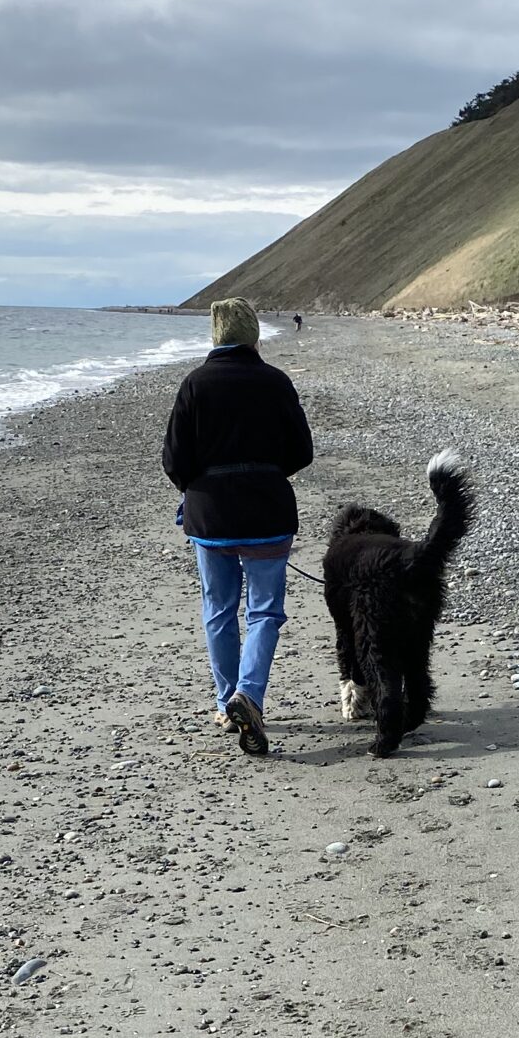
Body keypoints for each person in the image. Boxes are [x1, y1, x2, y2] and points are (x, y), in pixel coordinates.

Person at [162, 297, 314, 756]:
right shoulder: (276, 381)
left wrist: (199, 490)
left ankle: (227, 699)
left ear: (215, 335)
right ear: (253, 335)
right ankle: (248, 695)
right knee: (265, 612)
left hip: (211, 516)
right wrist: (265, 475)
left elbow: (174, 460)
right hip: (268, 513)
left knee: (219, 610)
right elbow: (301, 451)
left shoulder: (194, 384)